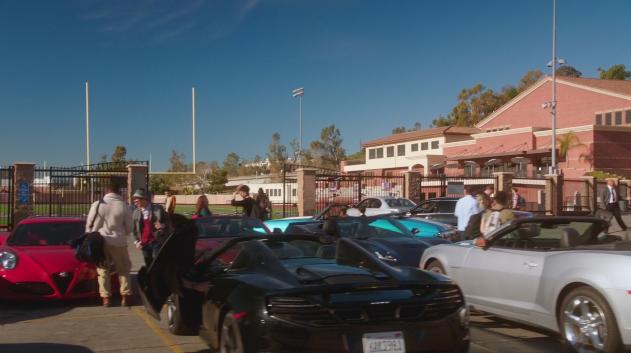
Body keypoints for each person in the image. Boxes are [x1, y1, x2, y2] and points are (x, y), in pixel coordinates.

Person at [85, 177, 133, 307]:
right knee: (123, 269)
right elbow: (130, 228)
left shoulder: (98, 204)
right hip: (119, 242)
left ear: (107, 191)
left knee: (103, 270)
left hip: (102, 241)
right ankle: (125, 295)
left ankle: (106, 298)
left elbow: (91, 225)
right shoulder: (124, 206)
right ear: (119, 192)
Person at [131, 189, 171, 267]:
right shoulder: (136, 212)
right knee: (148, 264)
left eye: (137, 200)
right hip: (144, 243)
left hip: (157, 241)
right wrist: (136, 242)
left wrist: (163, 225)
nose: (135, 203)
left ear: (144, 199)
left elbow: (168, 221)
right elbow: (133, 230)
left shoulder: (158, 209)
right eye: (134, 201)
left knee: (156, 263)